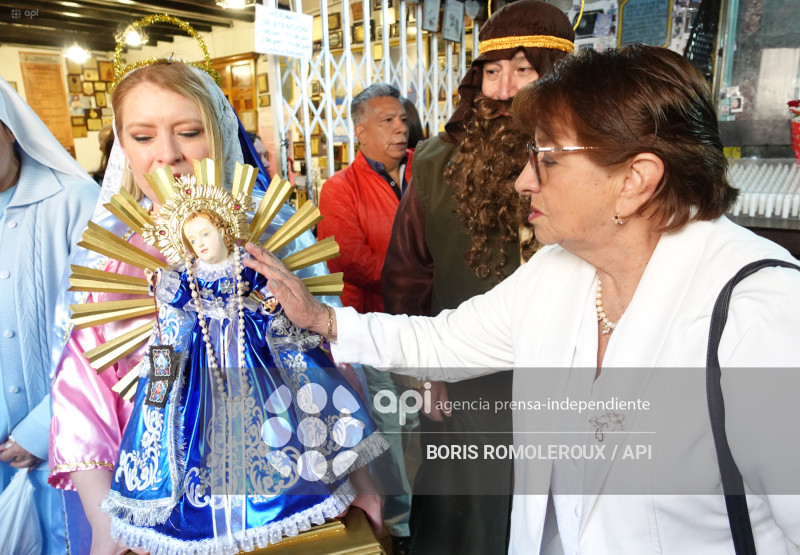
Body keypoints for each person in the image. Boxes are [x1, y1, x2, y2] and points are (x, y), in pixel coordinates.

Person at [244, 45, 800, 554]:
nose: (522, 182)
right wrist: (321, 318)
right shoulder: (560, 271)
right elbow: (446, 341)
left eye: (548, 160)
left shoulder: (763, 315)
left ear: (635, 179)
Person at [48, 58, 364, 555]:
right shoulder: (114, 264)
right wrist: (105, 517)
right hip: (160, 513)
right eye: (143, 136)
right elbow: (83, 396)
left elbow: (327, 358)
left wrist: (359, 476)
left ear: (217, 131)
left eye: (188, 132)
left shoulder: (274, 235)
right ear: (123, 148)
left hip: (293, 500)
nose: (168, 156)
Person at [100, 176, 386, 552]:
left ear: (222, 228)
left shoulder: (248, 267)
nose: (200, 244)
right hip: (206, 367)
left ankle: (294, 497)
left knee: (281, 426)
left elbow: (273, 300)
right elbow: (172, 325)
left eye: (205, 233)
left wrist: (269, 309)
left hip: (256, 360)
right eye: (192, 240)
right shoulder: (184, 280)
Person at [381, 1, 574, 552]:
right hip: (463, 378)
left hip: (559, 374)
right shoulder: (435, 162)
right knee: (463, 517)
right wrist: (422, 371)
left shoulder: (584, 163)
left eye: (523, 71)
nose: (503, 90)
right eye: (492, 72)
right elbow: (407, 273)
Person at [0, 76, 98, 553]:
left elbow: (102, 327)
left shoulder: (74, 201)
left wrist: (44, 427)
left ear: (11, 130)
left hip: (64, 444)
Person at [316, 83, 415, 553]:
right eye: (387, 121)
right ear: (360, 132)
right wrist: (415, 283)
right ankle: (397, 524)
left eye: (401, 119)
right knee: (389, 428)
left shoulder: (425, 171)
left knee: (427, 421)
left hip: (426, 323)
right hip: (371, 324)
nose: (401, 128)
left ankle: (429, 509)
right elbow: (347, 258)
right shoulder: (339, 189)